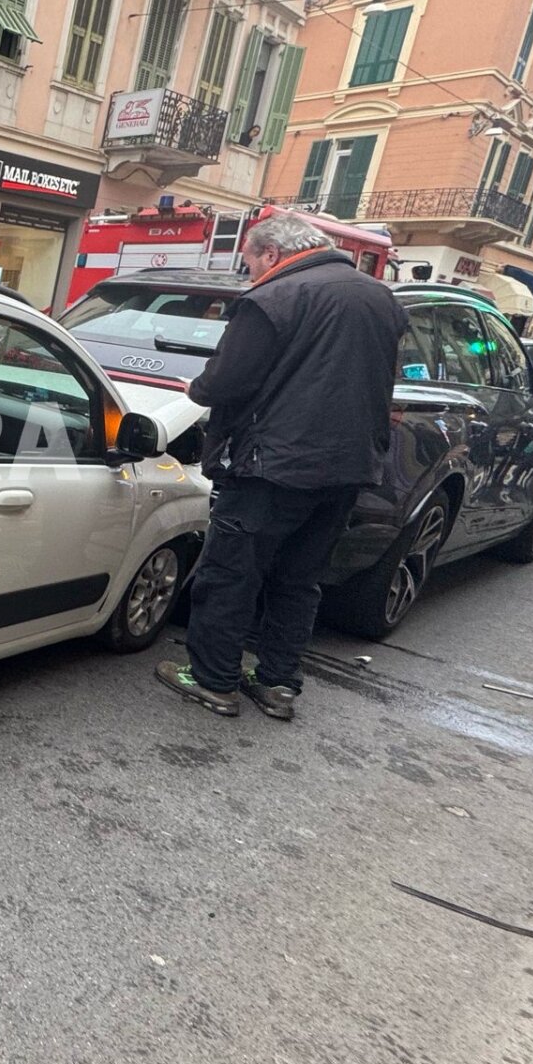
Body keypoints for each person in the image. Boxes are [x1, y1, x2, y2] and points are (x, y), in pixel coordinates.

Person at [156, 215, 407, 722]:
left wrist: (194, 390)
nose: (250, 274)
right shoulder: (380, 298)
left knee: (230, 575)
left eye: (249, 262)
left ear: (271, 253)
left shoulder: (272, 299)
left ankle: (213, 679)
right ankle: (276, 683)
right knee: (299, 580)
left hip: (269, 468)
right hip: (346, 469)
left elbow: (226, 381)